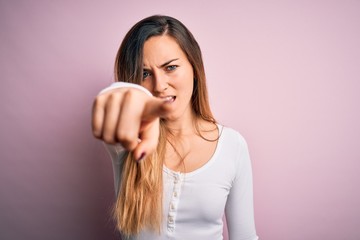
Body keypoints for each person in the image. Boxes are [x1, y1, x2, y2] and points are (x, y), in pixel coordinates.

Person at [92, 15, 259, 240]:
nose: (160, 86)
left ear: (194, 67)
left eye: (170, 67)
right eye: (145, 74)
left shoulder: (233, 146)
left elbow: (245, 237)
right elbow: (110, 97)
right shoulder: (129, 140)